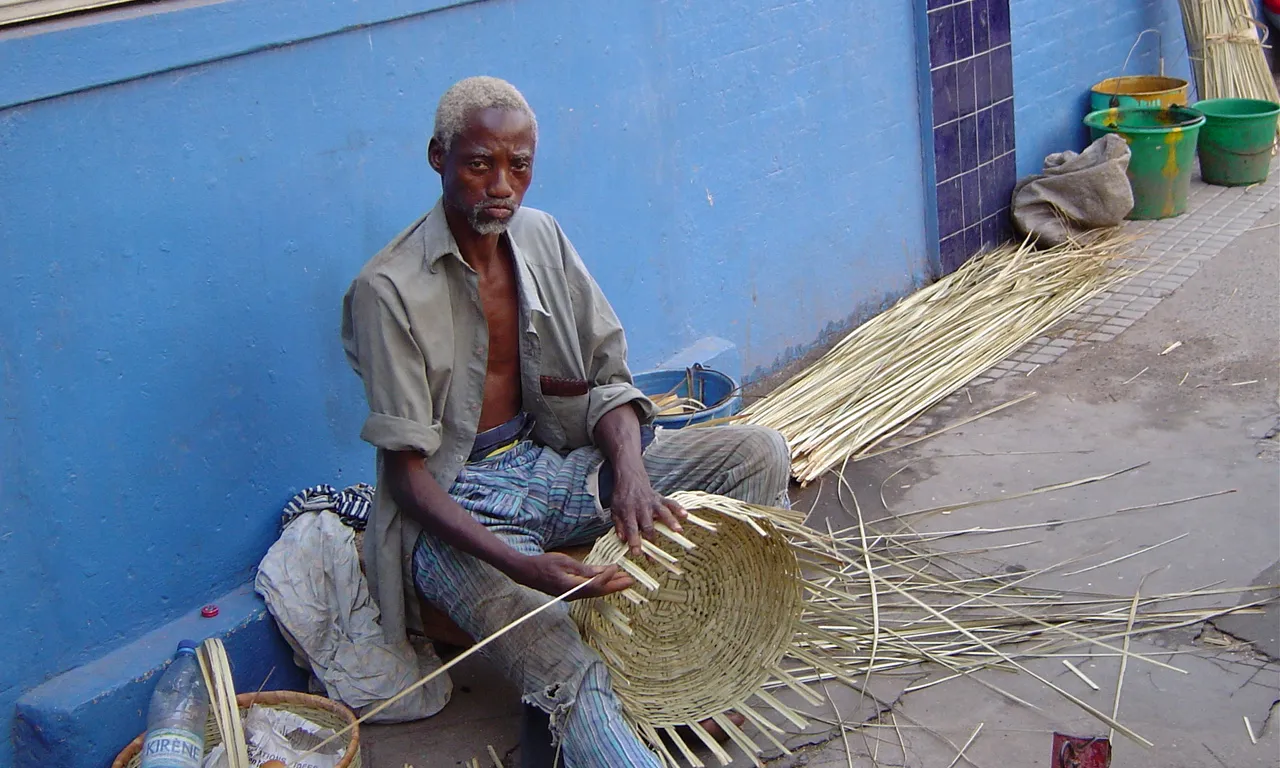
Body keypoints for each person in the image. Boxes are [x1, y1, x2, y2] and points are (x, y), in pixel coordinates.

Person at [341, 76, 791, 767]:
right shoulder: (389, 289)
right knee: (560, 656)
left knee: (757, 452)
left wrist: (631, 475)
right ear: (438, 157)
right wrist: (525, 568)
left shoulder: (542, 238)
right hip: (460, 512)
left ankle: (711, 669)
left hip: (552, 464)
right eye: (478, 163)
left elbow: (610, 381)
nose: (501, 186)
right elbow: (406, 480)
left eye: (518, 166)